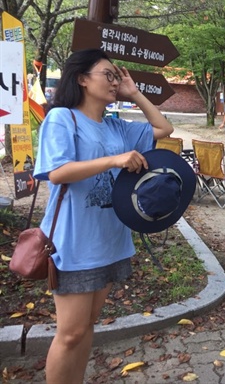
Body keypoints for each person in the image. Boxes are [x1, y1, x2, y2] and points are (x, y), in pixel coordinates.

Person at [33, 49, 173, 384]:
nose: (114, 82)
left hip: (110, 238)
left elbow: (163, 128)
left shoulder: (116, 127)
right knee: (70, 333)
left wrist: (134, 92)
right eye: (107, 75)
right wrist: (113, 161)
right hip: (75, 240)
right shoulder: (62, 118)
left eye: (116, 76)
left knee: (86, 329)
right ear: (81, 79)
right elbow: (57, 172)